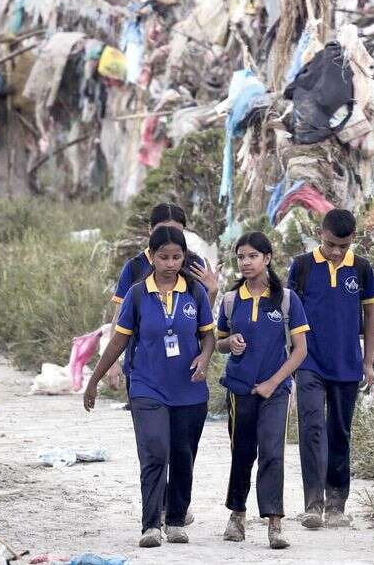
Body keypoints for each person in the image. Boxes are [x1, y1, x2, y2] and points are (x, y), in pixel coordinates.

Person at [84, 226, 216, 548]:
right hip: (147, 385)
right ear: (152, 257)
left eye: (177, 257)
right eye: (164, 257)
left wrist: (205, 357)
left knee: (183, 455)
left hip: (188, 387)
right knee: (155, 450)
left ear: (183, 257)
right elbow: (119, 339)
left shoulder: (195, 292)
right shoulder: (139, 294)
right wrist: (94, 379)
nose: (171, 263)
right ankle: (150, 525)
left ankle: (175, 520)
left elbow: (208, 334)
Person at [216, 233, 309, 549]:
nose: (246, 262)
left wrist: (273, 382)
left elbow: (300, 351)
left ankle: (274, 523)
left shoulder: (286, 300)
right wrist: (230, 344)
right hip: (239, 389)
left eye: (253, 256)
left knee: (272, 452)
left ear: (267, 258)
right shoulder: (231, 300)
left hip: (276, 391)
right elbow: (217, 342)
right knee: (242, 453)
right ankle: (237, 516)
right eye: (241, 256)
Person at [287, 208, 374, 529]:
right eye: (330, 245)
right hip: (309, 361)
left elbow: (369, 317)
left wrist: (367, 361)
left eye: (343, 246)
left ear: (353, 238)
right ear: (319, 233)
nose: (336, 252)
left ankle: (337, 503)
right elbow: (290, 313)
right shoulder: (301, 266)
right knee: (312, 428)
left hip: (347, 362)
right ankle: (312, 503)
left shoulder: (363, 269)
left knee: (339, 430)